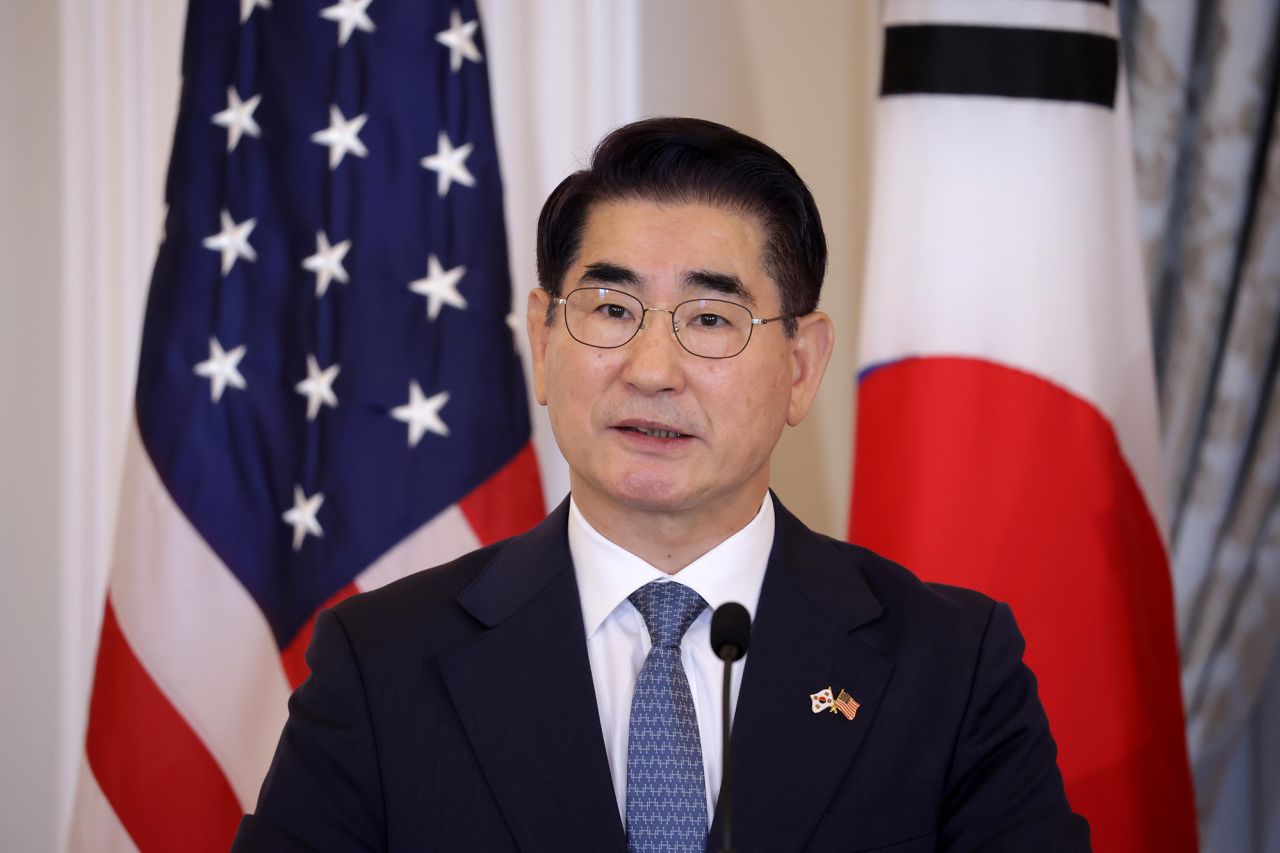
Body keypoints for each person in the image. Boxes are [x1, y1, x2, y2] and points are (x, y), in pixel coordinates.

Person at [232, 117, 1090, 852]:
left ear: (800, 365)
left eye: (711, 319)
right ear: (543, 338)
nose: (651, 370)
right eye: (610, 308)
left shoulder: (949, 666)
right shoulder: (381, 662)